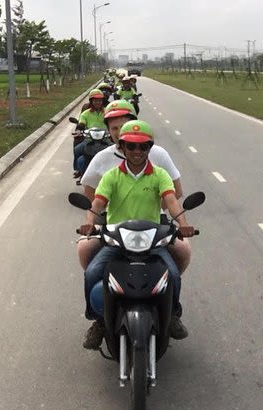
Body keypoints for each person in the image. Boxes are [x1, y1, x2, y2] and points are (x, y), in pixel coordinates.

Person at [79, 120, 195, 349]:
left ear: (149, 148)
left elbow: (171, 201)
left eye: (143, 147)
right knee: (92, 272)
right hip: (116, 239)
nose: (137, 152)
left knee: (172, 274)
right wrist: (89, 223)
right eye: (131, 146)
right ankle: (99, 320)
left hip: (152, 239)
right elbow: (98, 204)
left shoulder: (159, 175)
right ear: (121, 147)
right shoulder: (112, 176)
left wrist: (183, 223)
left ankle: (172, 315)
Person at [77, 100, 191, 276]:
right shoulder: (106, 166)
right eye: (114, 128)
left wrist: (152, 208)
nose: (136, 150)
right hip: (114, 228)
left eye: (142, 146)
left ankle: (172, 303)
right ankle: (94, 303)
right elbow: (94, 197)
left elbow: (173, 196)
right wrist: (94, 220)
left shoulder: (158, 164)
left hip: (153, 226)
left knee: (180, 259)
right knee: (88, 261)